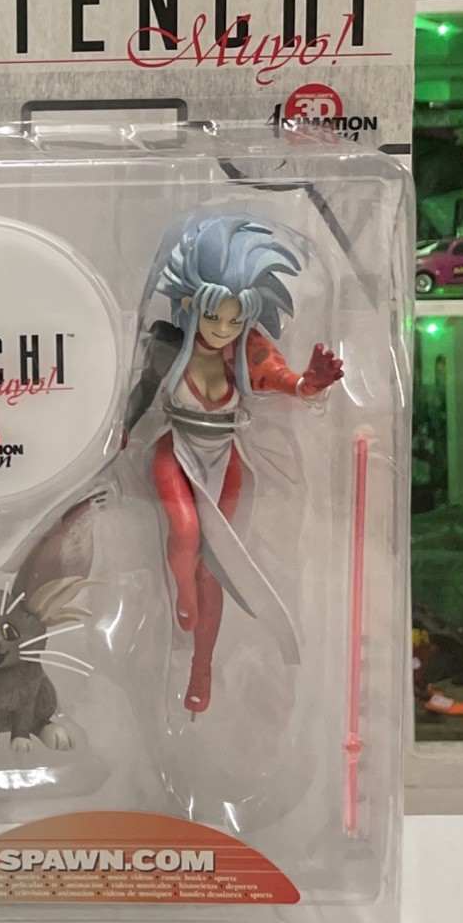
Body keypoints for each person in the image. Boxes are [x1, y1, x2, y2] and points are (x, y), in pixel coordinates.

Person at [124, 217, 343, 714]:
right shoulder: (169, 347)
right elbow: (143, 392)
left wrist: (310, 383)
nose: (222, 330)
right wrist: (124, 427)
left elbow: (281, 378)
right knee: (184, 531)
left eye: (234, 321)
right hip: (176, 450)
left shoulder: (244, 352)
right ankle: (182, 596)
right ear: (190, 305)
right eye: (213, 317)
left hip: (225, 457)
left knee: (215, 566)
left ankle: (201, 667)